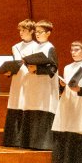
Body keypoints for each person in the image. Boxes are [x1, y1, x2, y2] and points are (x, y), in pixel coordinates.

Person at [51, 41, 82, 163]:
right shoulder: (67, 68)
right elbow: (62, 87)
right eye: (72, 50)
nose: (73, 52)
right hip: (68, 102)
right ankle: (68, 162)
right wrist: (62, 85)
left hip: (81, 103)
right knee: (67, 131)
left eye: (76, 50)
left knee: (78, 132)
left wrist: (80, 89)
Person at [20, 20, 58, 150]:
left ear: (48, 33)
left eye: (41, 32)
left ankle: (43, 144)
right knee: (32, 110)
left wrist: (37, 69)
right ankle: (31, 143)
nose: (37, 34)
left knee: (42, 111)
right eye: (36, 32)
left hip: (44, 88)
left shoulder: (50, 48)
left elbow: (53, 68)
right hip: (33, 85)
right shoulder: (34, 47)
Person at [2, 20, 37, 147]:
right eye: (20, 30)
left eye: (24, 30)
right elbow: (14, 63)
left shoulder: (37, 47)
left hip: (30, 79)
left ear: (32, 31)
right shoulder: (15, 46)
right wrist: (8, 72)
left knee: (25, 104)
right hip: (17, 79)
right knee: (16, 104)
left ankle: (25, 140)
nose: (21, 33)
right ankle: (13, 140)